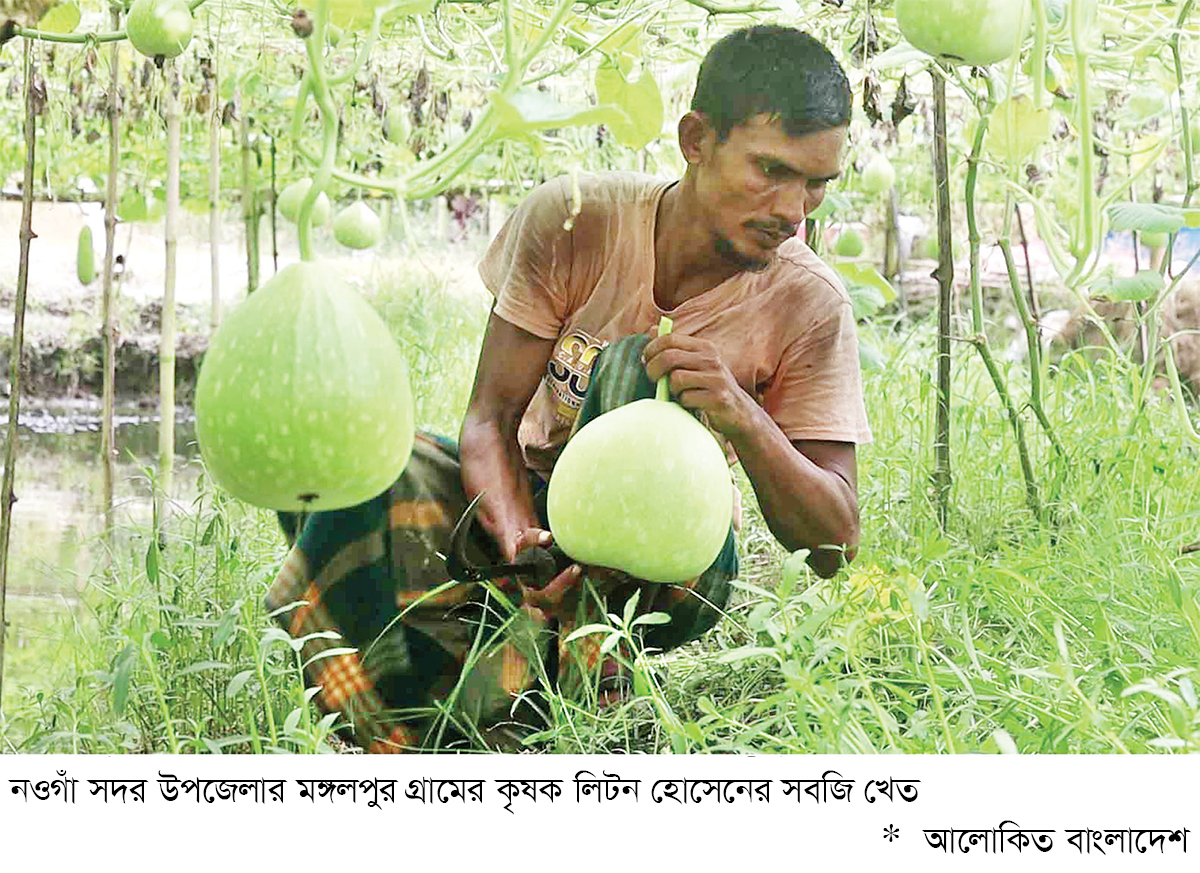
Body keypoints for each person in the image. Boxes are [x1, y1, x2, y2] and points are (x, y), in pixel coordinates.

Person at [266, 23, 872, 753]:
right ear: (695, 138)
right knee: (353, 467)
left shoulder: (811, 302)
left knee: (626, 374)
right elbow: (489, 419)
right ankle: (406, 716)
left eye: (816, 184)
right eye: (771, 170)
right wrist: (519, 532)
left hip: (670, 554)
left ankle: (578, 680)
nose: (794, 211)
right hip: (524, 503)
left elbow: (836, 541)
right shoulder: (574, 221)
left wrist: (743, 415)